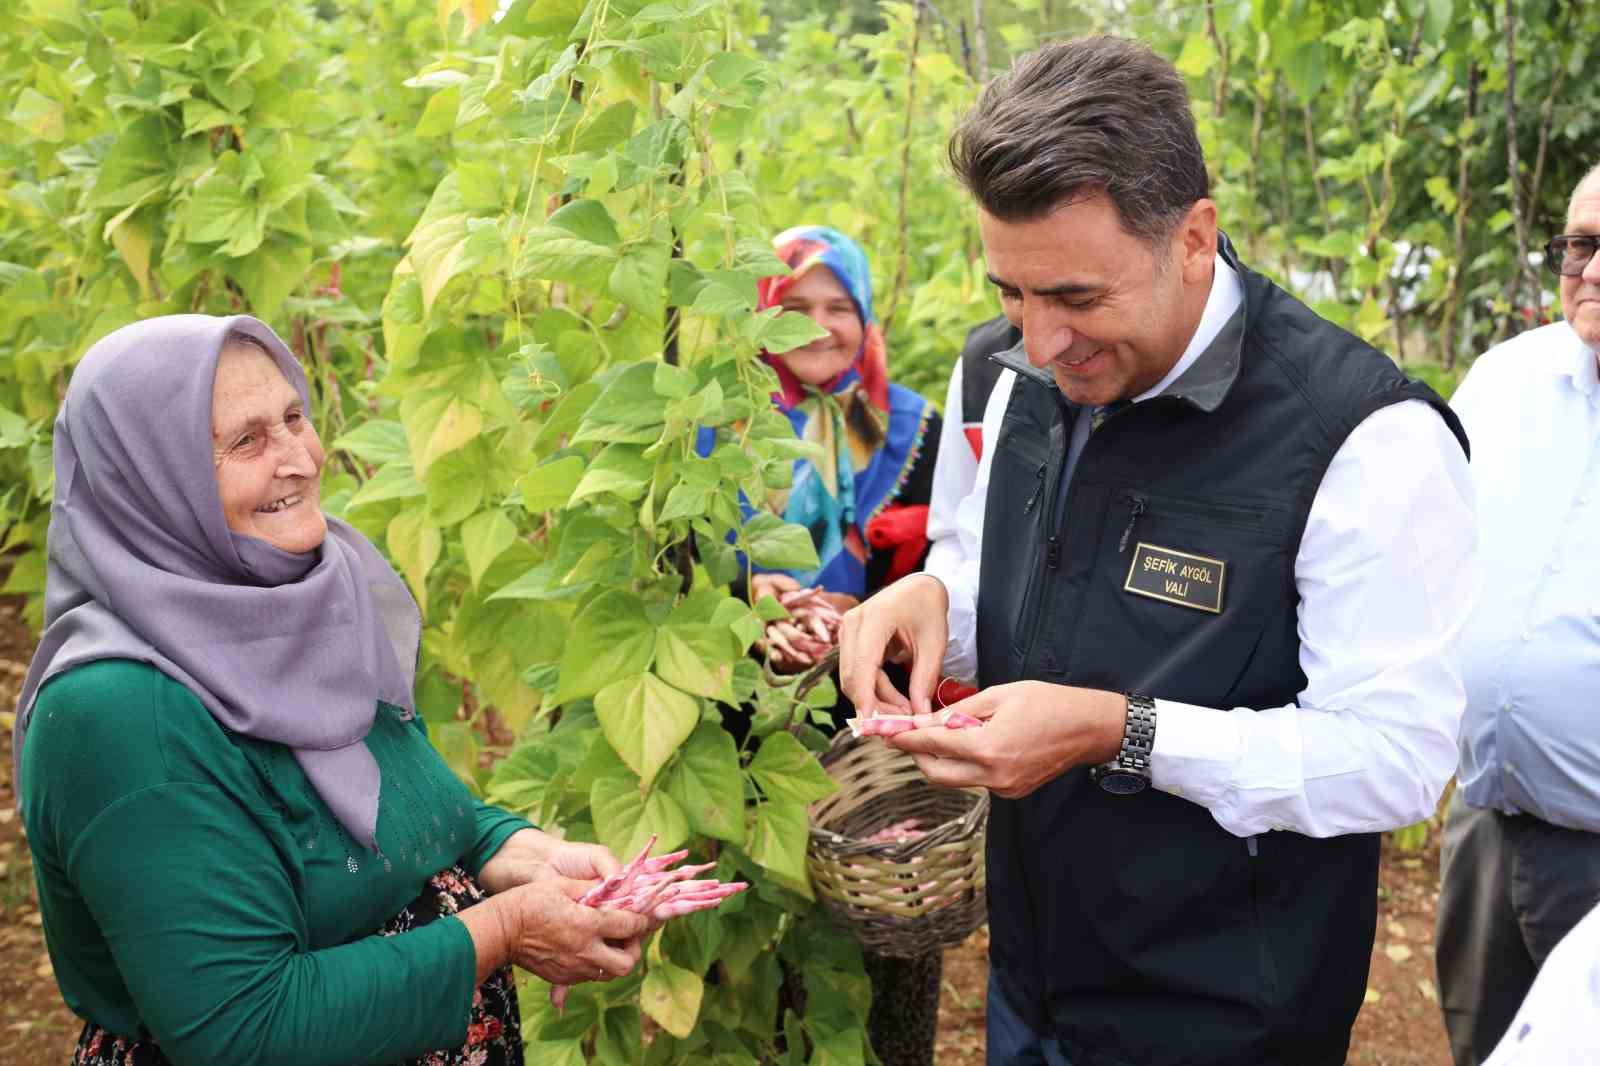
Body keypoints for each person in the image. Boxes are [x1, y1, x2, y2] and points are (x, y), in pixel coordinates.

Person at [836, 36, 1476, 1066]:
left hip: (1220, 1018)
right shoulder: (1014, 370)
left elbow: (1394, 762)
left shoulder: (1361, 438)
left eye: (1078, 298)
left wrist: (1121, 733)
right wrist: (936, 605)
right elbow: (1002, 561)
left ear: (1192, 239)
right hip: (1031, 983)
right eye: (1010, 292)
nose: (1039, 341)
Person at [14, 315, 652, 1066]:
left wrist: (511, 849)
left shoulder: (300, 598)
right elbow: (245, 1028)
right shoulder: (118, 715)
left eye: (294, 418)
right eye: (246, 440)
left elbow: (392, 802)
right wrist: (507, 929)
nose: (301, 459)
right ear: (150, 480)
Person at [700, 226, 944, 1066]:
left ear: (866, 315)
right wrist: (750, 596)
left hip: (876, 731)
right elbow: (680, 574)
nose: (817, 324)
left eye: (839, 306)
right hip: (744, 721)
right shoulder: (716, 431)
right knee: (757, 945)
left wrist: (864, 614)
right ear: (761, 314)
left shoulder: (913, 429)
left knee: (887, 943)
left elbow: (946, 576)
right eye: (794, 305)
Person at [1435, 163, 1600, 1066]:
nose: (1593, 270)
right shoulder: (1508, 380)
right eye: (1581, 244)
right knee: (1485, 1045)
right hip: (1486, 824)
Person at [924, 315, 1017, 581]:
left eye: (1080, 301)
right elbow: (953, 533)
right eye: (1012, 296)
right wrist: (937, 592)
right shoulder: (981, 361)